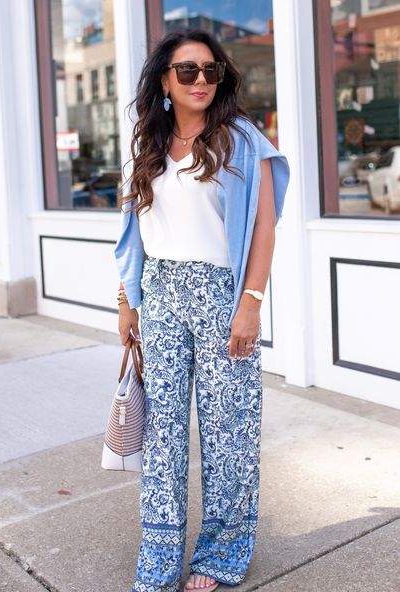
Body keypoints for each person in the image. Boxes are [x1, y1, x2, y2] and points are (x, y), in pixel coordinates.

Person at [114, 29, 290, 592]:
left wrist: (251, 303)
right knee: (162, 434)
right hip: (160, 295)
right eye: (186, 71)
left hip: (221, 296)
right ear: (164, 80)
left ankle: (219, 554)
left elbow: (264, 227)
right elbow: (134, 231)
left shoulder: (242, 140)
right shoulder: (148, 145)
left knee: (228, 432)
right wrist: (127, 302)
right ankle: (159, 557)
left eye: (210, 71)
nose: (200, 81)